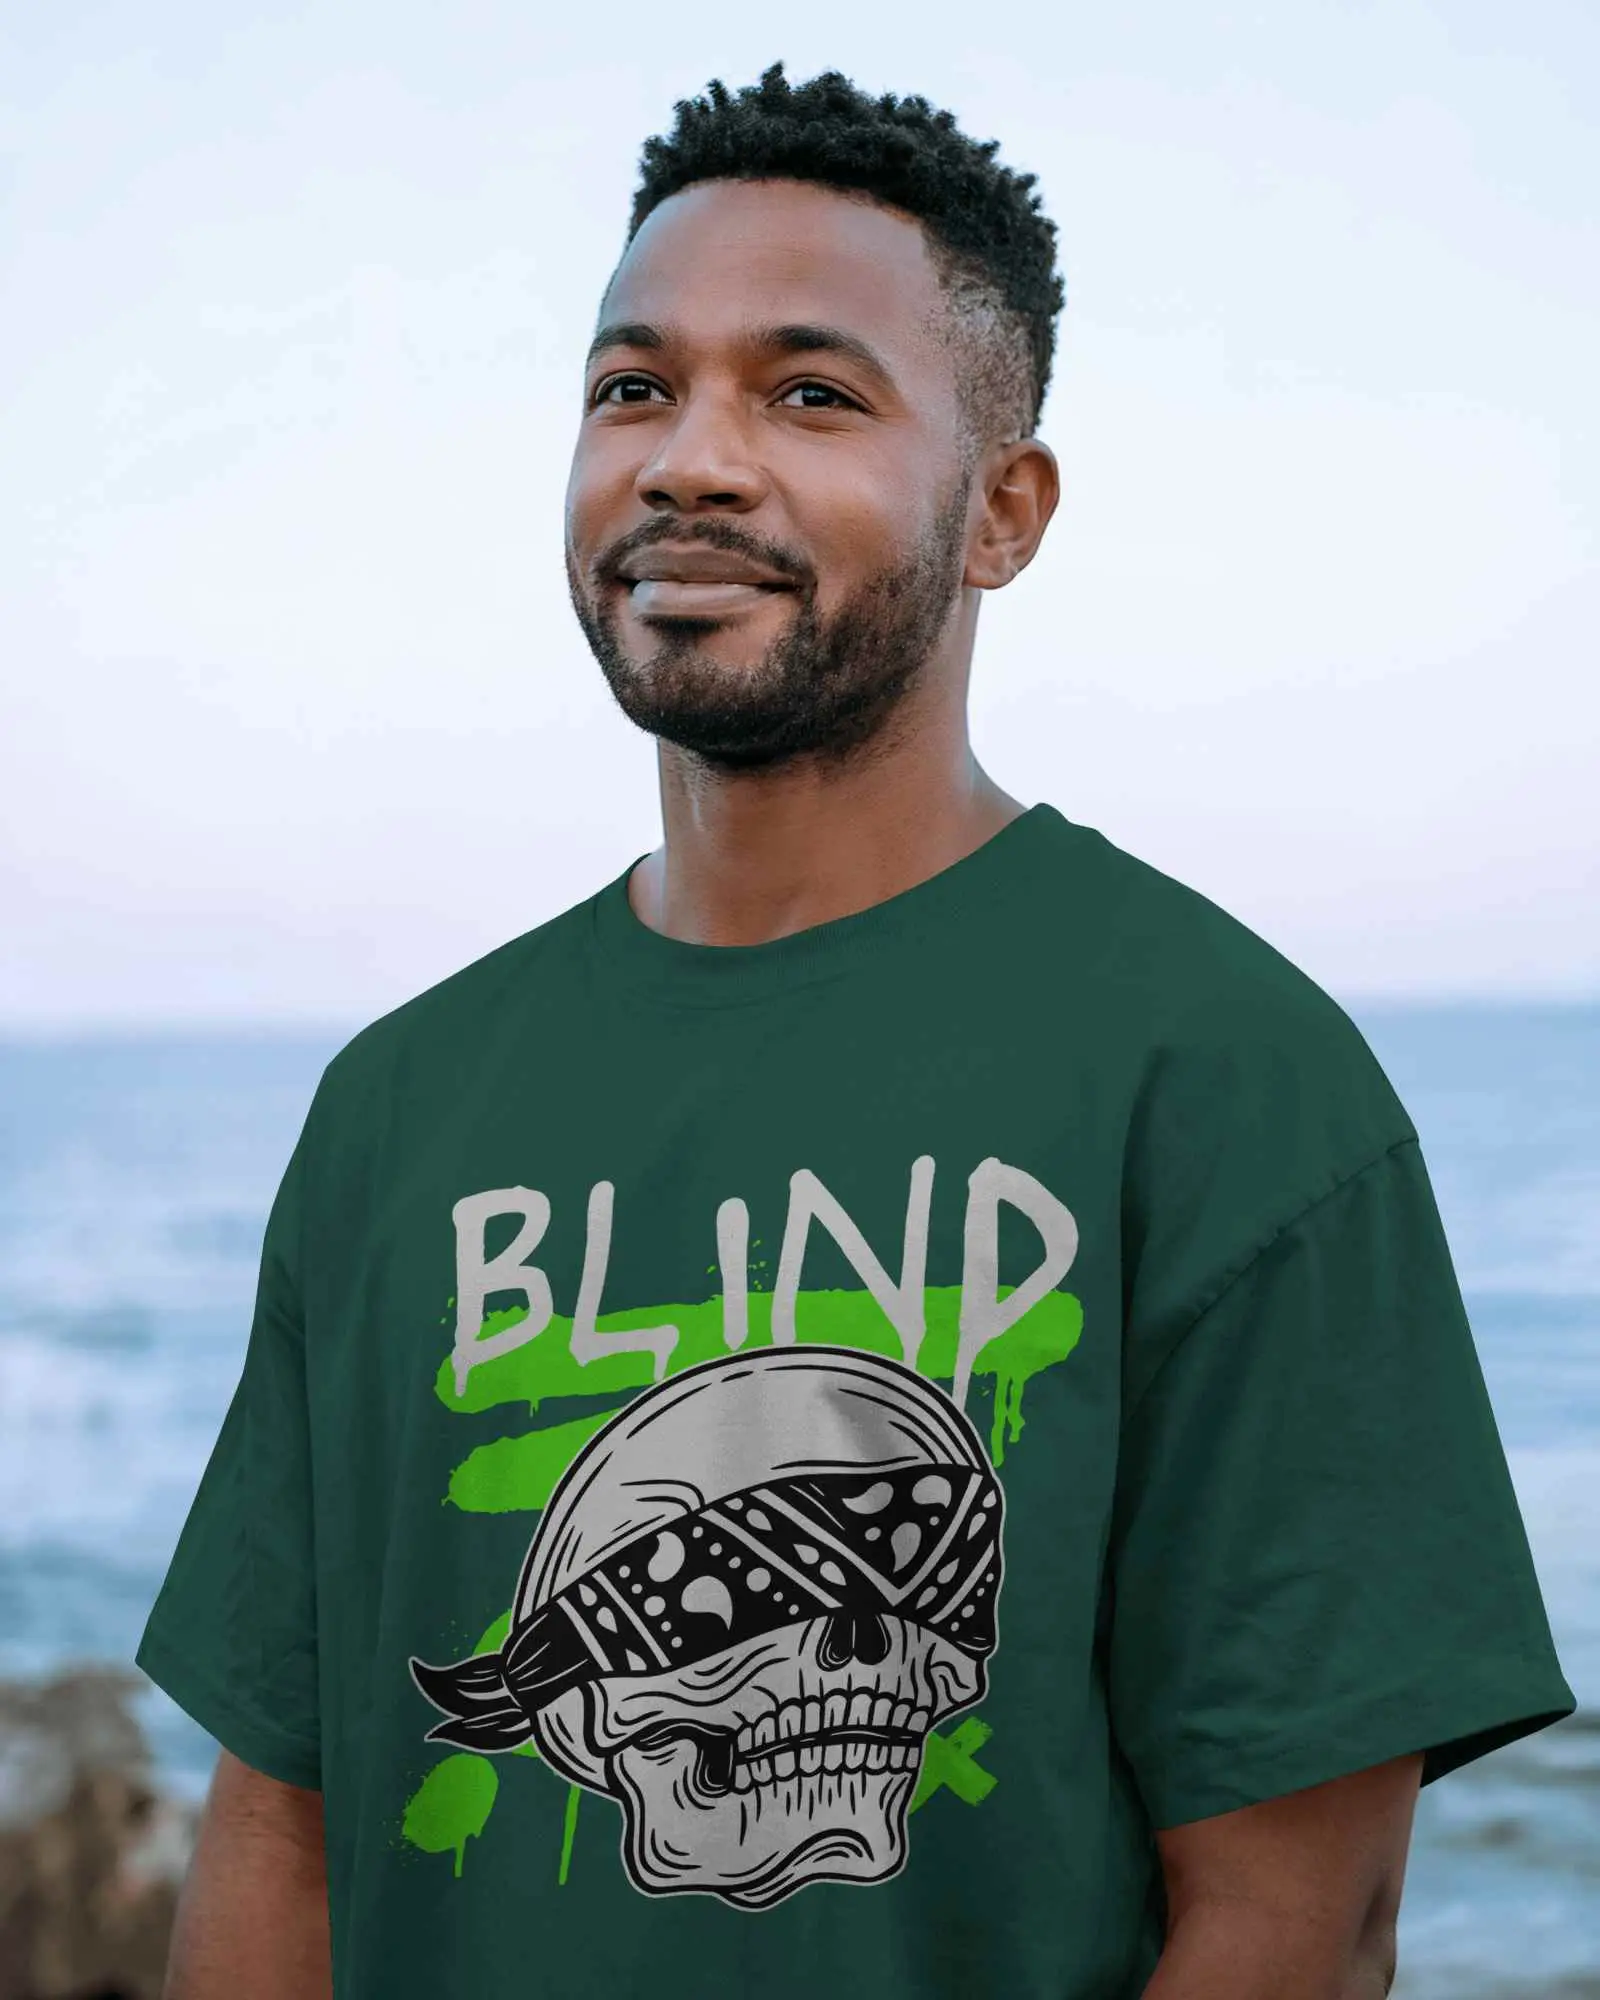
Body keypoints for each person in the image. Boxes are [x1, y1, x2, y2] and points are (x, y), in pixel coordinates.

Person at [139, 63, 1574, 2000]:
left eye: (808, 393)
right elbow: (282, 1827)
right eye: (631, 387)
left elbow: (1296, 1928)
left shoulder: (1219, 1070)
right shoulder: (397, 1103)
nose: (688, 461)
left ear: (1000, 508)